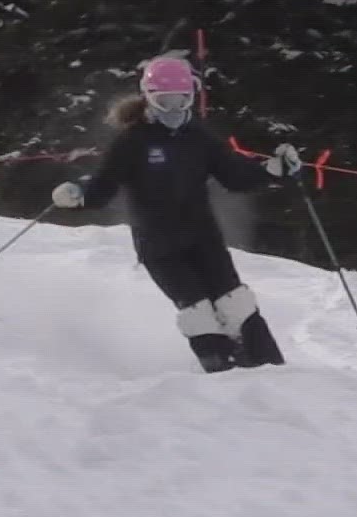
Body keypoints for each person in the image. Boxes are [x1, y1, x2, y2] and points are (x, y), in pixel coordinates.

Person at [51, 54, 304, 373]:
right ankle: (224, 373)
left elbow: (234, 175)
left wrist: (273, 170)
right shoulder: (133, 141)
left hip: (203, 237)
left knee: (235, 303)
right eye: (164, 101)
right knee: (198, 311)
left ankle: (271, 369)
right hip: (159, 245)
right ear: (148, 98)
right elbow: (104, 186)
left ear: (191, 98)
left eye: (180, 100)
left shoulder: (200, 138)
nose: (173, 109)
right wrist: (79, 196)